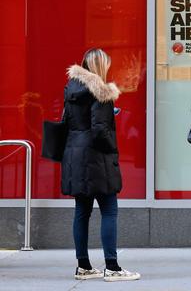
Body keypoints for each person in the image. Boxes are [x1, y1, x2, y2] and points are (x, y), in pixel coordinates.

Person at [61, 48, 140, 282]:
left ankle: (83, 266)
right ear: (100, 66)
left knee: (81, 212)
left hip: (75, 155)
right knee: (109, 210)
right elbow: (99, 130)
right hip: (96, 158)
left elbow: (67, 122)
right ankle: (112, 267)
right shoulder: (101, 92)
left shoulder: (71, 89)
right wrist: (112, 149)